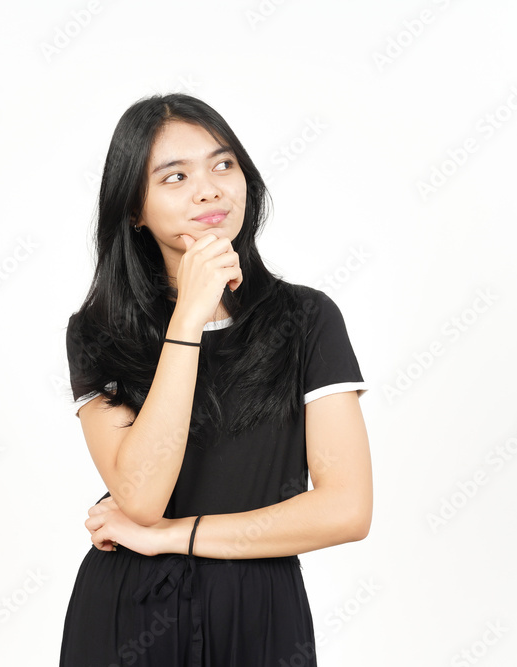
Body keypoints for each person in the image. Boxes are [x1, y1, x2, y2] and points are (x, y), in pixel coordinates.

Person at [60, 92, 373, 666]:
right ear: (135, 208)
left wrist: (172, 538)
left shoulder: (306, 319)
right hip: (128, 613)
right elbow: (143, 497)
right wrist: (189, 318)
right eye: (174, 176)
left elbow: (346, 510)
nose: (209, 189)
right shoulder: (97, 331)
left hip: (259, 615)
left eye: (223, 165)